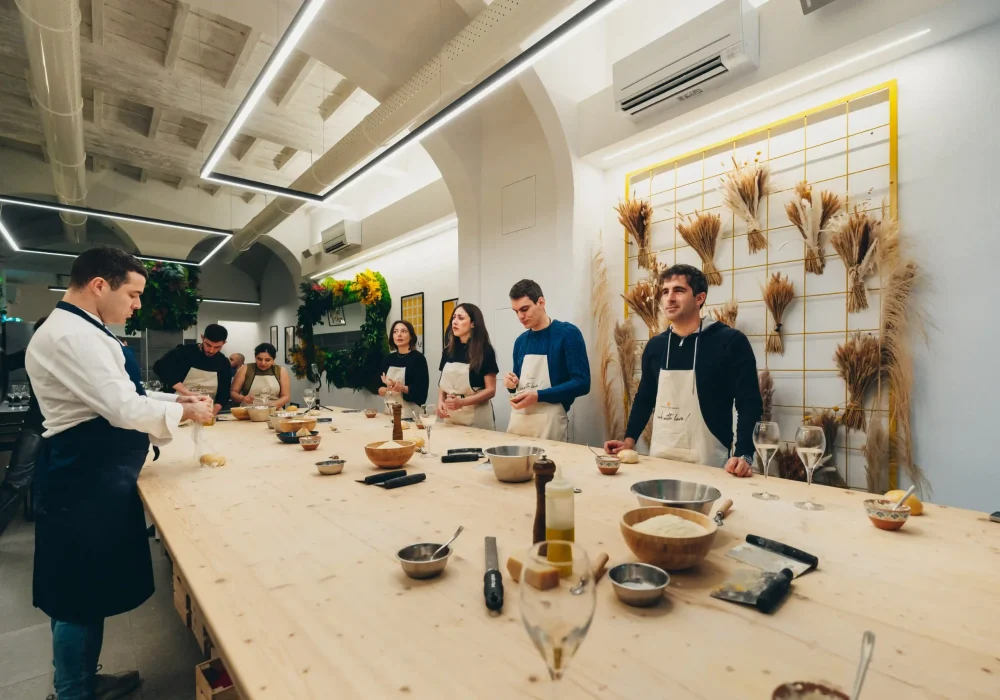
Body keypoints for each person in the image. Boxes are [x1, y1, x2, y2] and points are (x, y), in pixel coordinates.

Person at [25, 247, 213, 699]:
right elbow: (122, 407)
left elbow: (126, 392)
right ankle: (72, 692)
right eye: (133, 293)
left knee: (87, 592)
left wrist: (179, 404)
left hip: (96, 478)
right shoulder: (71, 335)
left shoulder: (86, 330)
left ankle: (84, 681)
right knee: (74, 598)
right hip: (80, 481)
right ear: (98, 285)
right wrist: (186, 415)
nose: (137, 304)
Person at [605, 264, 762, 475]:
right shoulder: (656, 347)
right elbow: (645, 397)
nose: (669, 298)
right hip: (659, 461)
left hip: (710, 463)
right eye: (665, 292)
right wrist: (629, 439)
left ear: (700, 298)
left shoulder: (730, 342)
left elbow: (749, 402)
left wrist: (744, 453)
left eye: (679, 290)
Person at [504, 280, 590, 442]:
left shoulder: (567, 334)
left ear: (541, 302)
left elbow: (582, 383)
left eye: (524, 309)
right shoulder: (520, 342)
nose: (520, 316)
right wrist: (511, 384)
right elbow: (518, 387)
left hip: (550, 421)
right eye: (516, 312)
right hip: (519, 419)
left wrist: (539, 395)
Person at [437, 303, 498, 429]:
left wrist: (462, 402)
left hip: (477, 417)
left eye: (460, 318)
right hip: (451, 417)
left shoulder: (485, 351)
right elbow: (443, 384)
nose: (455, 322)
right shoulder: (448, 351)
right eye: (453, 317)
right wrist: (441, 402)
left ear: (473, 324)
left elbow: (491, 390)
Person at [152, 323, 230, 414]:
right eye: (208, 345)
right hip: (177, 408)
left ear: (224, 343)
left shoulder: (223, 363)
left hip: (205, 409)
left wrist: (211, 413)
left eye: (217, 347)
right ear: (202, 338)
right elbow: (159, 367)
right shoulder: (184, 352)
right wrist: (188, 393)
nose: (211, 350)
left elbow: (224, 394)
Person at [378, 320, 429, 417]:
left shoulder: (418, 359)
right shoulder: (388, 359)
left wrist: (401, 388)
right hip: (389, 413)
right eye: (395, 331)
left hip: (410, 414)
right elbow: (379, 388)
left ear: (411, 336)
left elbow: (421, 392)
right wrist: (390, 390)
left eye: (403, 331)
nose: (399, 334)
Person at [230, 342, 291, 408]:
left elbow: (285, 396)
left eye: (267, 360)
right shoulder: (245, 369)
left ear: (273, 359)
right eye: (259, 359)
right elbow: (233, 392)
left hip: (274, 411)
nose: (263, 363)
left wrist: (271, 407)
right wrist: (242, 398)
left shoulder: (281, 371)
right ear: (255, 357)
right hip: (248, 411)